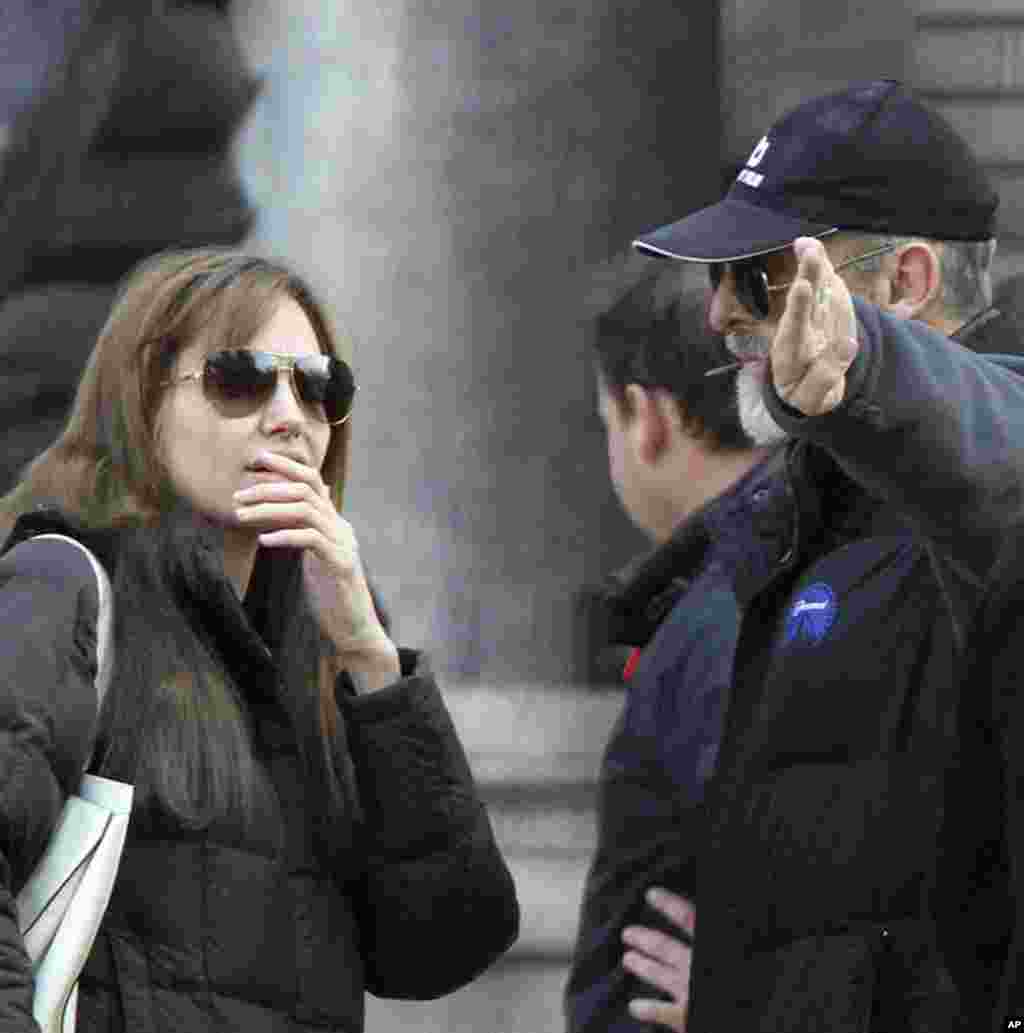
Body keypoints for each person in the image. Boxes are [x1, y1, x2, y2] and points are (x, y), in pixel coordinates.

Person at [0, 247, 519, 1032]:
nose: (288, 415)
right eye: (239, 379)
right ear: (144, 404)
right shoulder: (66, 584)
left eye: (318, 388)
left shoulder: (319, 647)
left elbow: (442, 944)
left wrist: (375, 666)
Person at [618, 79, 1024, 1031]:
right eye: (717, 278)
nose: (718, 315)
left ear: (907, 282)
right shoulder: (802, 505)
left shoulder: (984, 484)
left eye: (756, 275)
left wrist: (871, 374)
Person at [564, 271, 781, 1032]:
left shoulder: (727, 606)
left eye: (605, 421)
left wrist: (758, 999)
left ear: (643, 413)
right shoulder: (759, 577)